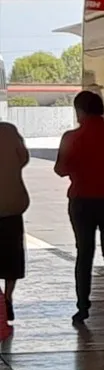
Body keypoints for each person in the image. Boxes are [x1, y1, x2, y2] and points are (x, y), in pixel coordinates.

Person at [54, 91, 104, 324]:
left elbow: (60, 169)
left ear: (80, 111)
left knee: (84, 254)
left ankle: (83, 306)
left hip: (82, 201)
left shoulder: (71, 137)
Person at [0, 121, 30, 324]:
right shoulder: (9, 131)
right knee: (12, 256)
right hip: (12, 205)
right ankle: (7, 298)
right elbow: (23, 158)